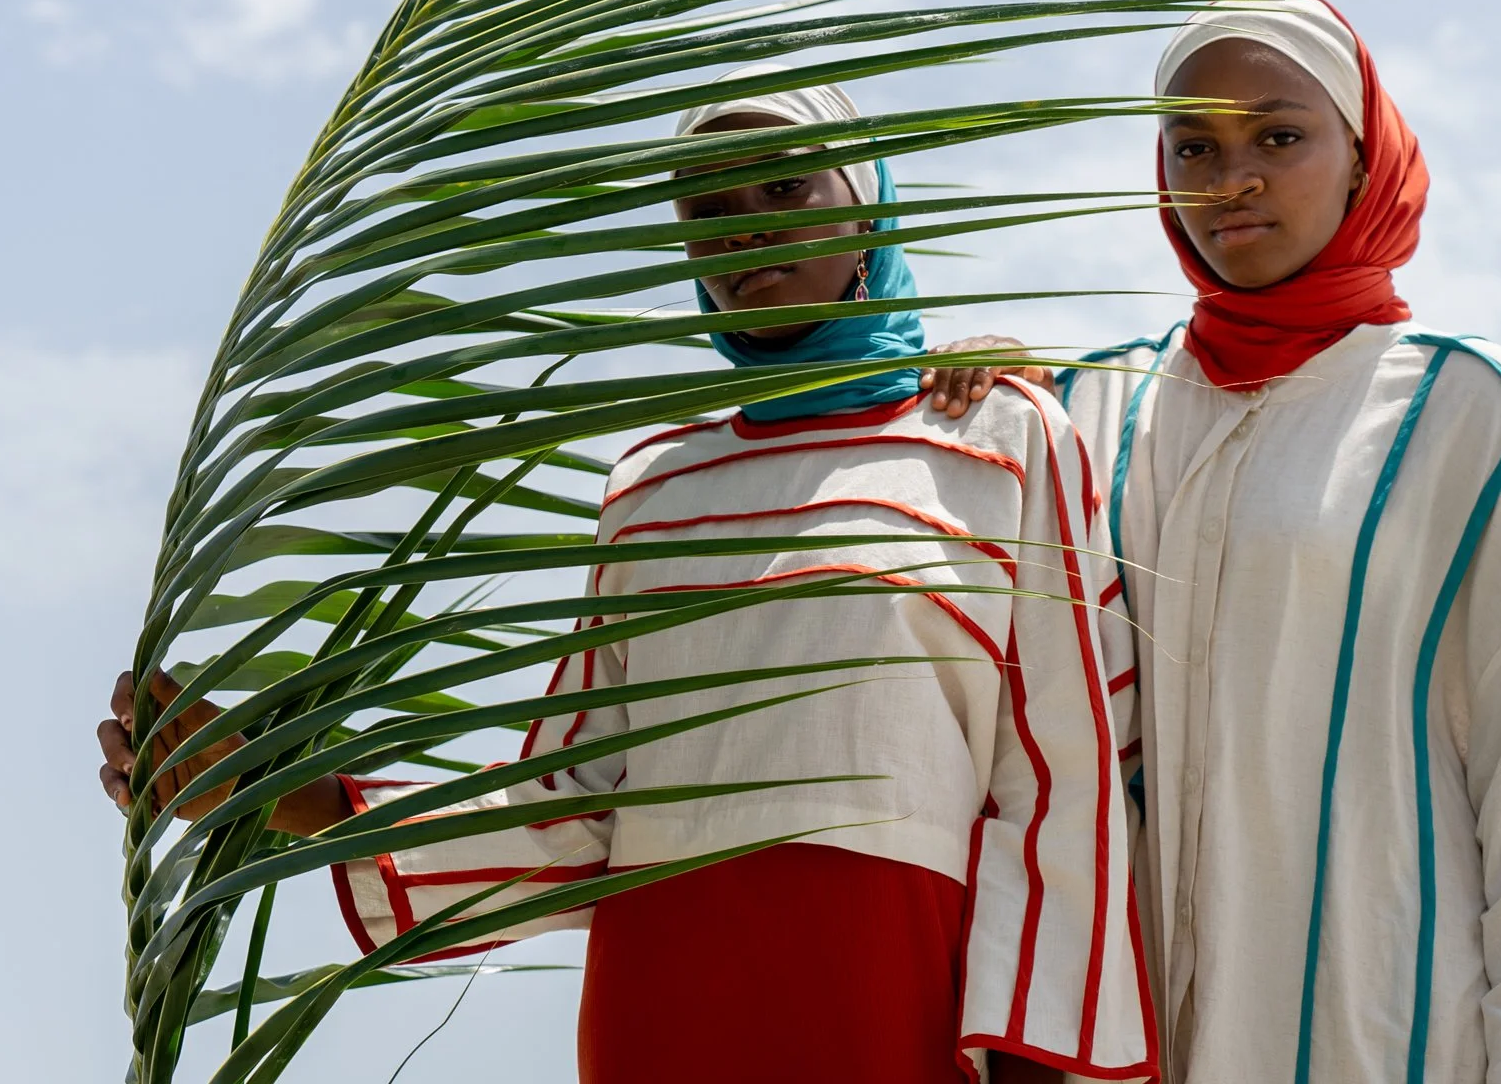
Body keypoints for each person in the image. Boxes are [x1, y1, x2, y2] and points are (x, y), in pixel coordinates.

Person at [101, 68, 1157, 1084]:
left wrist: (1044, 1065)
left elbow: (1066, 788)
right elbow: (575, 808)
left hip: (899, 990)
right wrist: (287, 795)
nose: (741, 226)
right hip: (663, 996)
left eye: (786, 185)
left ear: (870, 208)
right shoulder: (654, 481)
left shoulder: (999, 436)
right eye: (704, 206)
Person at [917, 0, 1501, 1084]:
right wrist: (969, 399)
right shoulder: (1086, 408)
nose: (1233, 179)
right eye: (1192, 145)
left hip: (1381, 1023)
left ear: (1361, 158)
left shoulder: (1466, 411)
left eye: (1277, 135)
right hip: (1119, 1038)